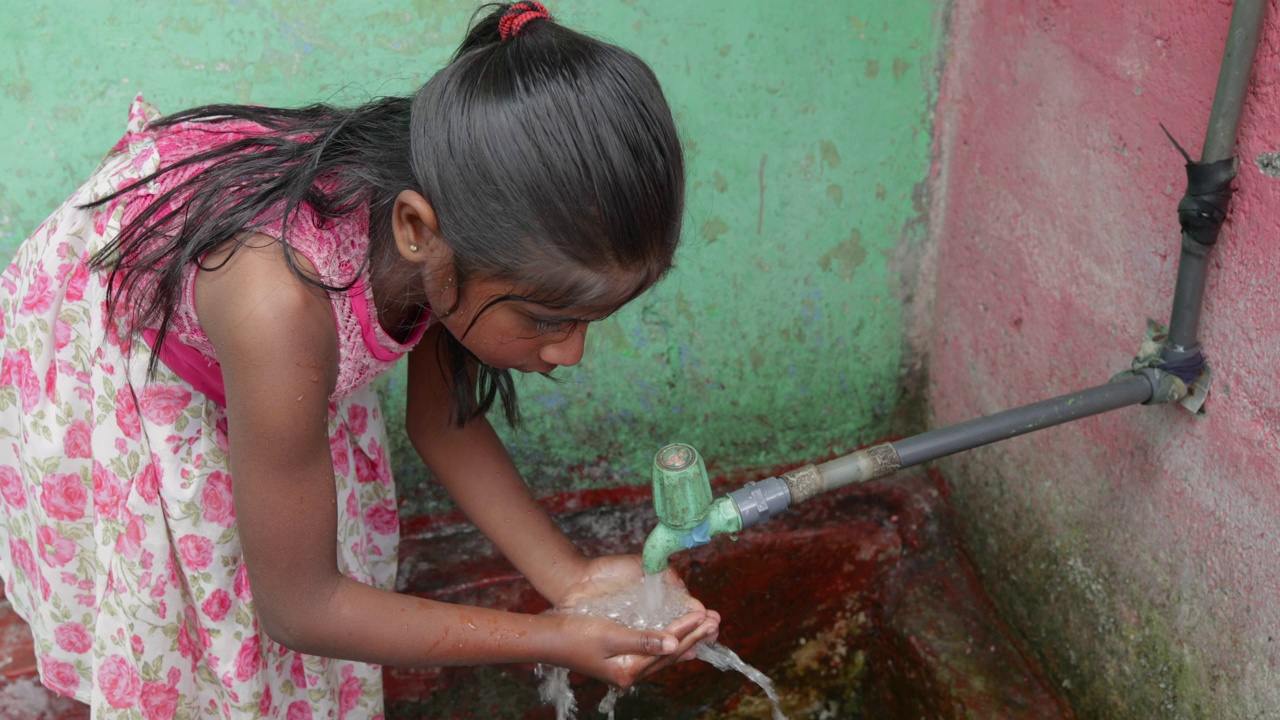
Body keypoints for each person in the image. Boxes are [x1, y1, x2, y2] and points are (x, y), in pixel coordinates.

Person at [0, 2, 719, 717]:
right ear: (416, 230)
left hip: (264, 353)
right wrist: (551, 636)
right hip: (131, 351)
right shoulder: (278, 305)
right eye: (547, 319)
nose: (572, 350)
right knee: (210, 626)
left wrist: (574, 581)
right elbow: (302, 606)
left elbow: (445, 426)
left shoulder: (460, 222)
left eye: (590, 320)